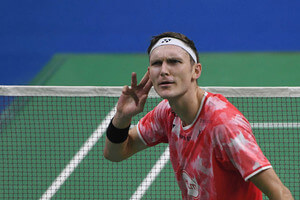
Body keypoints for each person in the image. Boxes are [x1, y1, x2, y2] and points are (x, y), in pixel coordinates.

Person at [103, 32, 294, 200]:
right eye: (156, 63)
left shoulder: (223, 125)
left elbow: (280, 193)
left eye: (174, 61)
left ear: (196, 71)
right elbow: (115, 153)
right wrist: (121, 117)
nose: (164, 70)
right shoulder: (166, 113)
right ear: (150, 74)